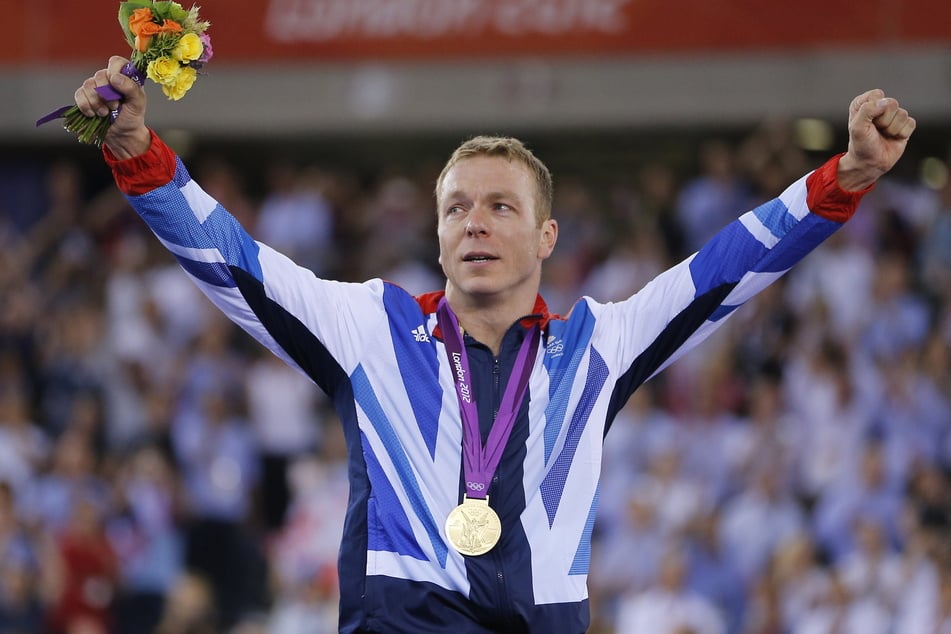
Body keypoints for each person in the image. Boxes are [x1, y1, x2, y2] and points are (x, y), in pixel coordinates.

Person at [71, 55, 916, 633]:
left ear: (547, 235)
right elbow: (233, 260)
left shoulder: (599, 345)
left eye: (500, 207)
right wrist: (139, 151)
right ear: (438, 238)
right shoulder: (370, 326)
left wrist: (841, 177)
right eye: (456, 209)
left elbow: (726, 265)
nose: (475, 221)